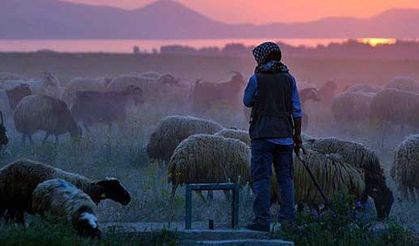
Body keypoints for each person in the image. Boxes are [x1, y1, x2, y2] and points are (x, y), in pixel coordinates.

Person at [243, 42, 303, 232]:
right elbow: (297, 111)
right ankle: (288, 220)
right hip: (285, 136)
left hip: (262, 136)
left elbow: (247, 101)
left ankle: (262, 220)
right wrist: (297, 136)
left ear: (262, 58)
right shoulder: (289, 79)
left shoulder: (257, 78)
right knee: (286, 179)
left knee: (262, 178)